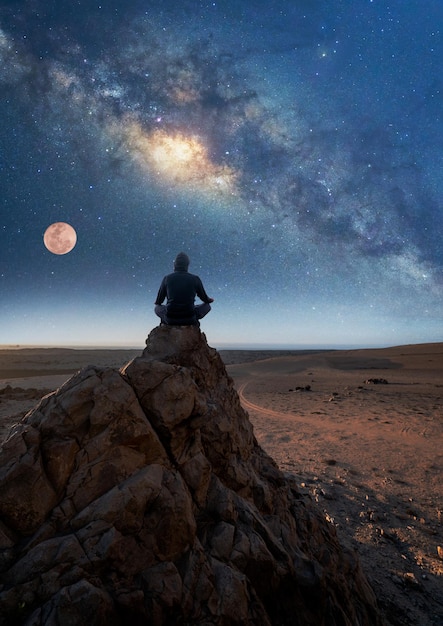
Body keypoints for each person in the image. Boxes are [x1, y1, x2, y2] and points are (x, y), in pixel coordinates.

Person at [154, 252, 214, 326]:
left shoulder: (167, 278)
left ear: (175, 264)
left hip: (170, 318)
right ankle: (194, 323)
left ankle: (165, 323)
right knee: (207, 306)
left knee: (157, 308)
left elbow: (159, 301)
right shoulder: (195, 279)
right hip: (190, 318)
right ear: (187, 265)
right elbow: (205, 298)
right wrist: (209, 300)